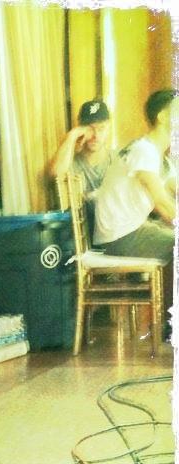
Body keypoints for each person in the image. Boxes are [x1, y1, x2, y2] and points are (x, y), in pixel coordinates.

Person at [93, 89, 177, 317]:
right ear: (162, 116)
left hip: (129, 230)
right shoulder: (144, 150)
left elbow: (174, 188)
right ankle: (171, 322)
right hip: (120, 236)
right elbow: (161, 202)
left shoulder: (156, 155)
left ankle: (169, 320)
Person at [50, 100, 113, 241]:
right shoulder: (70, 161)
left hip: (114, 236)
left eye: (101, 128)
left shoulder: (117, 160)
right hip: (81, 238)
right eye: (90, 129)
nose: (95, 135)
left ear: (108, 129)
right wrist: (71, 136)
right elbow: (56, 174)